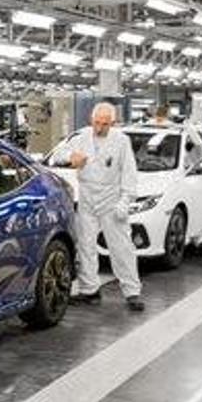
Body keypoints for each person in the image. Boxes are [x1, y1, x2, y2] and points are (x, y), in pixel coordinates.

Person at [53, 102, 144, 311]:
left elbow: (129, 174)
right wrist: (70, 157)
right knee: (86, 246)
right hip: (87, 197)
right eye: (97, 123)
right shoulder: (82, 137)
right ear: (91, 120)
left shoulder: (121, 141)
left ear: (113, 123)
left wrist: (125, 201)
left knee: (121, 247)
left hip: (111, 199)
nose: (100, 127)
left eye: (105, 124)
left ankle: (132, 292)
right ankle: (89, 290)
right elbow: (58, 154)